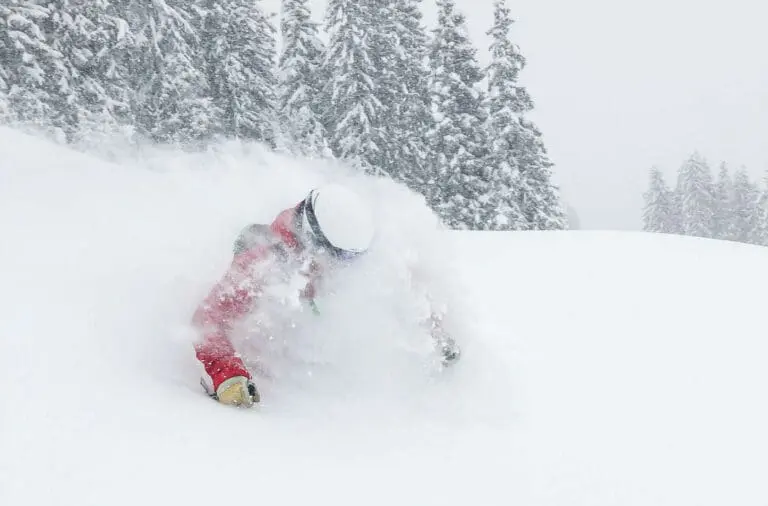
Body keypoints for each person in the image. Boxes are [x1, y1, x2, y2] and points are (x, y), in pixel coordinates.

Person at [192, 183, 461, 407]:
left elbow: (402, 283)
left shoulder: (356, 238)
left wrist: (434, 332)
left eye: (353, 257)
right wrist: (228, 374)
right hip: (277, 353)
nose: (345, 264)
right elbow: (208, 319)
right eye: (339, 256)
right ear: (313, 239)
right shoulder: (264, 264)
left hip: (318, 326)